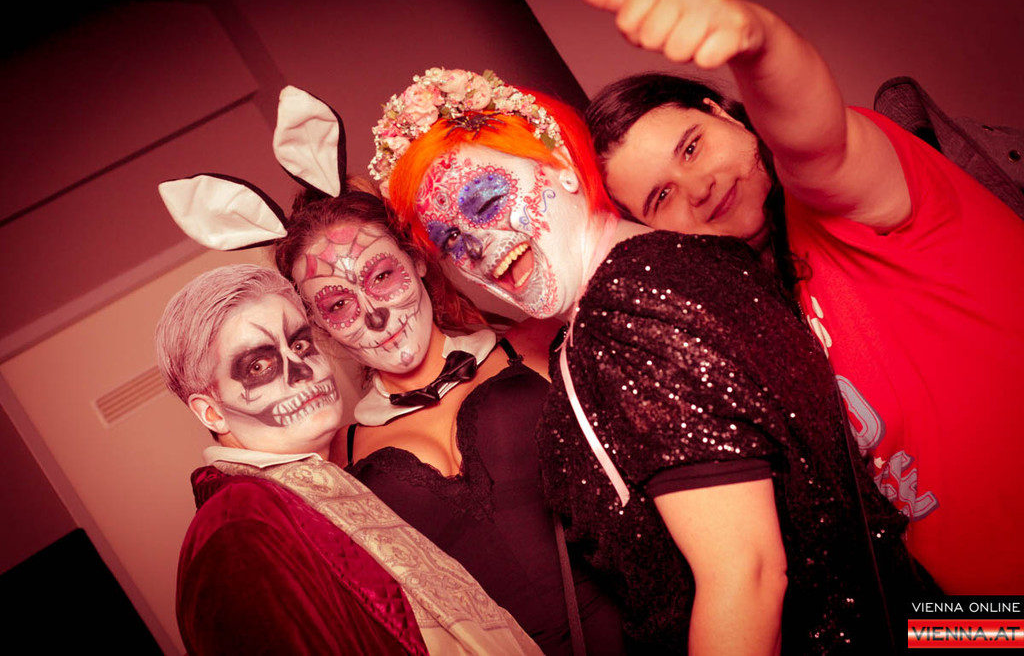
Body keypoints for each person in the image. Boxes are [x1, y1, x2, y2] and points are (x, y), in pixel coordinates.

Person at [373, 66, 927, 654]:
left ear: (561, 162)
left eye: (487, 201)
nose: (479, 247)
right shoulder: (665, 269)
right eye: (452, 241)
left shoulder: (628, 305)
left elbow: (746, 576)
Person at [577, 0, 1024, 595]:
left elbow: (817, 139)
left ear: (722, 111)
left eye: (692, 148)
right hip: (973, 622)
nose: (698, 188)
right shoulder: (742, 315)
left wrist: (756, 43)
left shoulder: (845, 195)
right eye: (661, 196)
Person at [159, 84, 624, 656]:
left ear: (418, 259)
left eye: (381, 275)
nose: (375, 316)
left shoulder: (537, 343)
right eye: (338, 304)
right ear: (317, 325)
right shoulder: (340, 456)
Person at [154, 263, 541, 655]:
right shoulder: (236, 529)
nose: (302, 371)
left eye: (300, 345)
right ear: (211, 413)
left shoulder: (317, 488)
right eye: (259, 366)